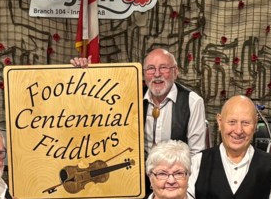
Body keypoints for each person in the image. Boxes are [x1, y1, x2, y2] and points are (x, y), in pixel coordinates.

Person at [71, 48, 207, 155]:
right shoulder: (131, 96)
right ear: (143, 73)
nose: (157, 74)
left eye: (164, 67)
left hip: (173, 180)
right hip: (137, 177)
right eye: (151, 68)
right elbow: (95, 107)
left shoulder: (192, 102)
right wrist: (83, 74)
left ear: (175, 71)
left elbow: (196, 154)